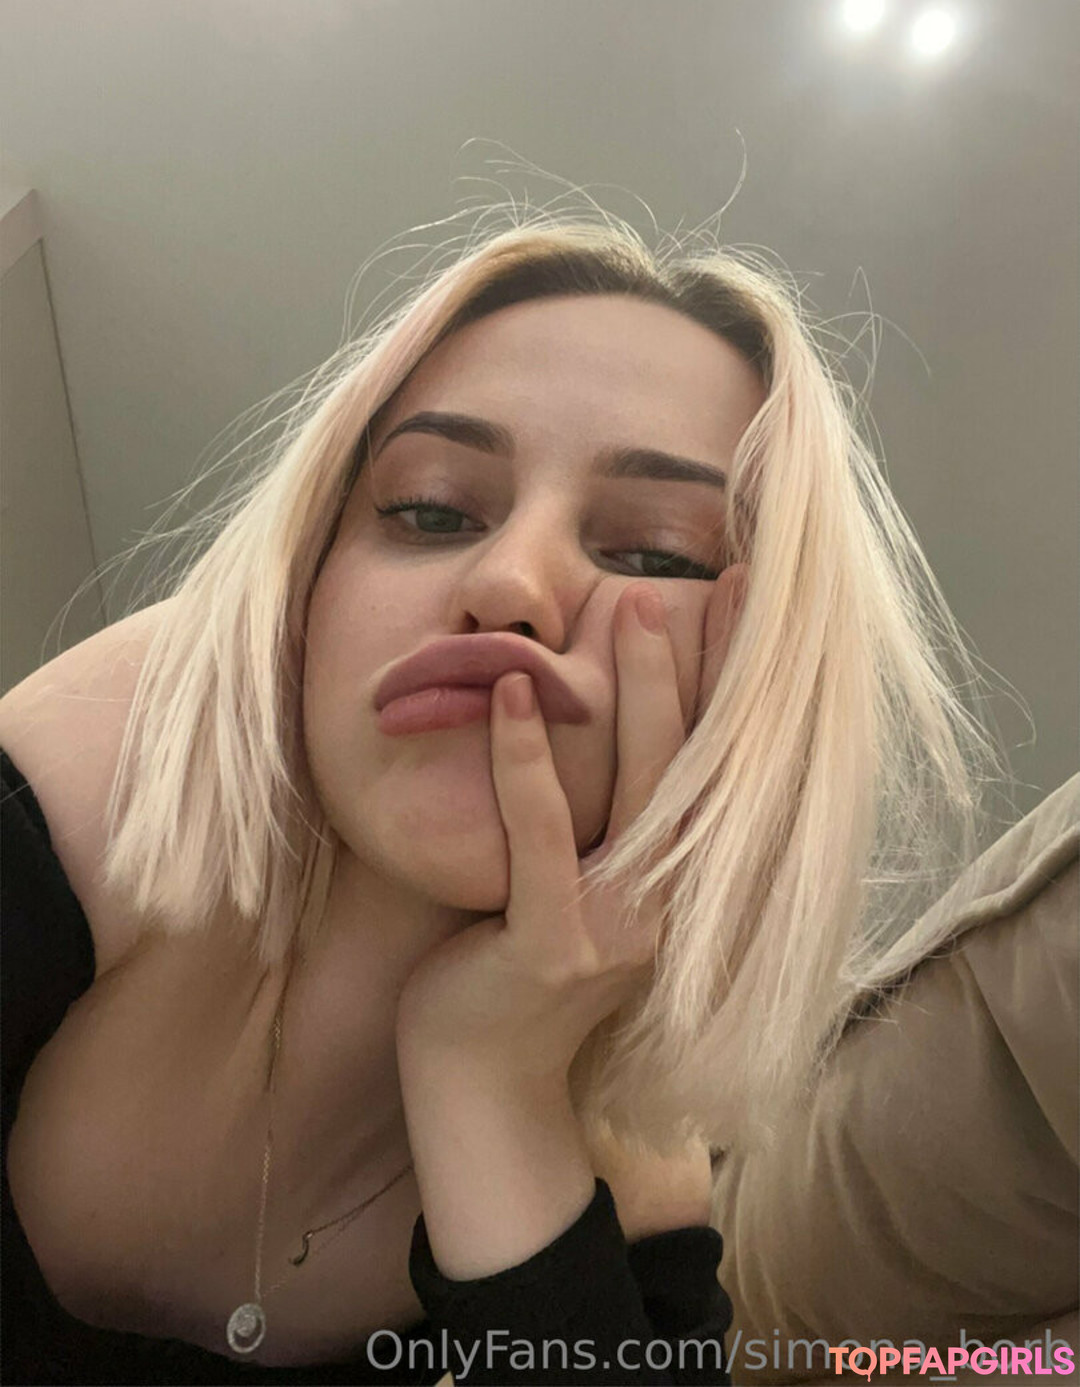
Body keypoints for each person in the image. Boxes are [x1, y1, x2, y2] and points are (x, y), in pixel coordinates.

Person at [0, 203, 1018, 1385]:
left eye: (653, 552)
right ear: (310, 581)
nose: (512, 582)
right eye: (431, 509)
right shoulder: (83, 782)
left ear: (757, 678)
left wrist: (491, 1081)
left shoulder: (639, 1187)